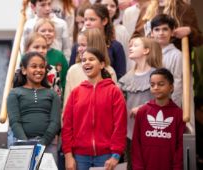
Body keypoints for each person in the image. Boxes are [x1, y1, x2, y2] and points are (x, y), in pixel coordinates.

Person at [62, 47, 127, 170]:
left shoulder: (114, 91)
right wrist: (68, 156)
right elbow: (67, 126)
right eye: (84, 60)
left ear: (102, 64)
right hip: (80, 157)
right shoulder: (76, 92)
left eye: (91, 59)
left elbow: (120, 125)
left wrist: (116, 155)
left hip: (106, 156)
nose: (86, 62)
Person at [7, 52, 61, 160]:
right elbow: (14, 121)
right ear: (24, 70)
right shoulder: (15, 93)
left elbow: (55, 122)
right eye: (34, 66)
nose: (39, 70)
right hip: (21, 144)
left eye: (42, 67)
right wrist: (26, 144)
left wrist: (42, 143)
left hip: (48, 145)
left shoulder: (52, 94)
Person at [118, 37, 162, 169]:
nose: (130, 48)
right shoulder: (126, 78)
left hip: (152, 134)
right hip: (129, 134)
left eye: (135, 45)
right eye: (130, 45)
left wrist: (145, 107)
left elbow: (164, 101)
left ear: (146, 50)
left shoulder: (157, 75)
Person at [131, 68, 184, 170]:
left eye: (161, 84)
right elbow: (136, 144)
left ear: (171, 87)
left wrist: (177, 167)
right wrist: (138, 167)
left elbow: (180, 145)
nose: (156, 87)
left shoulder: (178, 114)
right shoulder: (142, 112)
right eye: (152, 85)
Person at [64, 28, 117, 109]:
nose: (79, 49)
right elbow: (67, 106)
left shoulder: (109, 71)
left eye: (83, 45)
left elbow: (114, 104)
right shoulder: (73, 71)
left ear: (94, 46)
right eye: (78, 45)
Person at [132, 0, 203, 50]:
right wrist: (138, 42)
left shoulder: (184, 9)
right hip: (149, 60)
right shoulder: (147, 8)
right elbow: (136, 36)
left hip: (174, 61)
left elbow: (199, 40)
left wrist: (189, 31)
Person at [83, 4, 126, 79]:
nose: (87, 23)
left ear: (104, 21)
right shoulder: (79, 46)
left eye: (92, 19)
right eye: (85, 20)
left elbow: (120, 76)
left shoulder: (116, 47)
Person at [151, 14, 182, 107]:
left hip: (168, 104)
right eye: (157, 29)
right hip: (150, 104)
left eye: (165, 29)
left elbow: (177, 83)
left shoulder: (177, 55)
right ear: (152, 33)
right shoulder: (148, 53)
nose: (161, 33)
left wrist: (172, 106)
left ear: (172, 32)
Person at [34, 18, 69, 96]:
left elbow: (64, 82)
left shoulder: (59, 56)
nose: (47, 33)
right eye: (43, 31)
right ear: (36, 33)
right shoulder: (28, 56)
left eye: (50, 31)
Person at [97, 0, 133, 71]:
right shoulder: (91, 27)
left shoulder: (122, 30)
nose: (109, 8)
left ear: (116, 9)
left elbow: (126, 55)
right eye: (105, 5)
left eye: (112, 6)